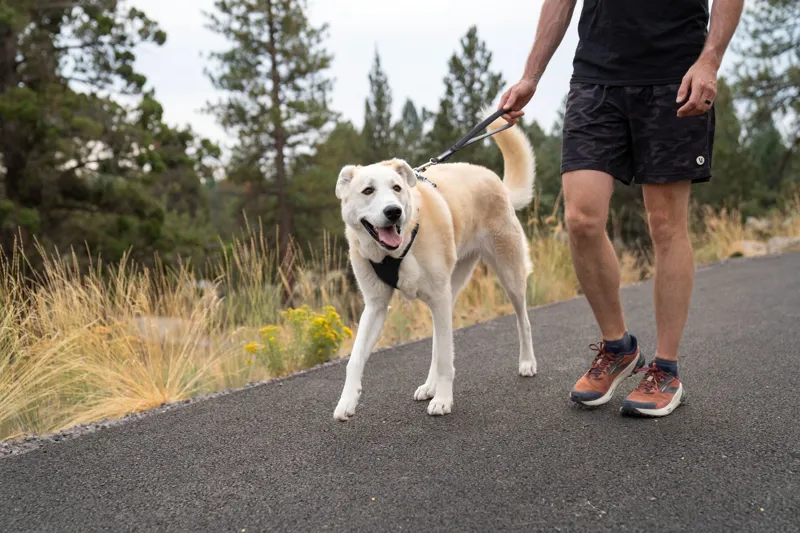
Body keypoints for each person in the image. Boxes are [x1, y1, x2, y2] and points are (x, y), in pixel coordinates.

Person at [498, 0, 743, 417]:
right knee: (581, 219)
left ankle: (665, 370)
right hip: (597, 78)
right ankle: (618, 348)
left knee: (665, 223)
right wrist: (530, 75)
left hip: (675, 74)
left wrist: (710, 61)